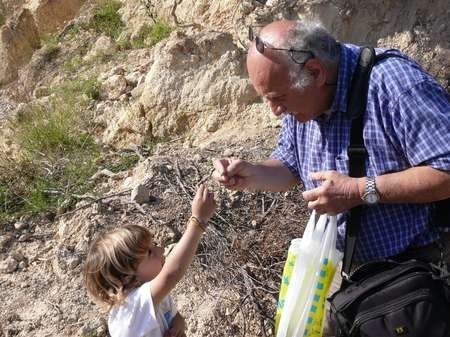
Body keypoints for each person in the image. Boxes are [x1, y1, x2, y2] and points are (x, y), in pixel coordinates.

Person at [213, 19, 450, 335]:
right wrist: (252, 173)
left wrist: (360, 190)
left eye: (278, 98)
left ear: (315, 72)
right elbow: (290, 166)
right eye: (267, 98)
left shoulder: (396, 86)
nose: (274, 110)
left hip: (412, 290)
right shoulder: (304, 98)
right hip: (345, 285)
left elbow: (445, 171)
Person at [84, 184, 216, 337]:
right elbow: (172, 273)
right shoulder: (130, 309)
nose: (161, 250)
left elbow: (176, 317)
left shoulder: (152, 295)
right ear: (127, 277)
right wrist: (198, 221)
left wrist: (178, 326)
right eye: (150, 252)